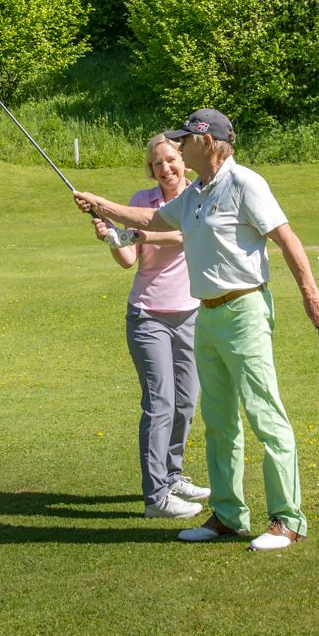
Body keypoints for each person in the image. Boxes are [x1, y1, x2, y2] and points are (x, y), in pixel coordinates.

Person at [74, 108, 319, 552]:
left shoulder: (245, 183)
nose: (177, 149)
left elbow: (286, 238)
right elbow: (151, 220)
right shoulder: (195, 193)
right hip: (206, 314)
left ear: (206, 142)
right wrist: (100, 205)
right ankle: (229, 516)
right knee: (218, 421)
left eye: (184, 142)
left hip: (245, 309)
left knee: (264, 414)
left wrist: (310, 293)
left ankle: (287, 520)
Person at [94, 133, 211, 520]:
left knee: (186, 403)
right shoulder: (141, 203)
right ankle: (156, 497)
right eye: (157, 163)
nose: (165, 168)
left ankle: (173, 475)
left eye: (171, 159)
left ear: (184, 160)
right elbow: (129, 259)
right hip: (148, 315)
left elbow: (182, 236)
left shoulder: (197, 195)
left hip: (190, 314)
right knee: (160, 403)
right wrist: (112, 236)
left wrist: (138, 232)